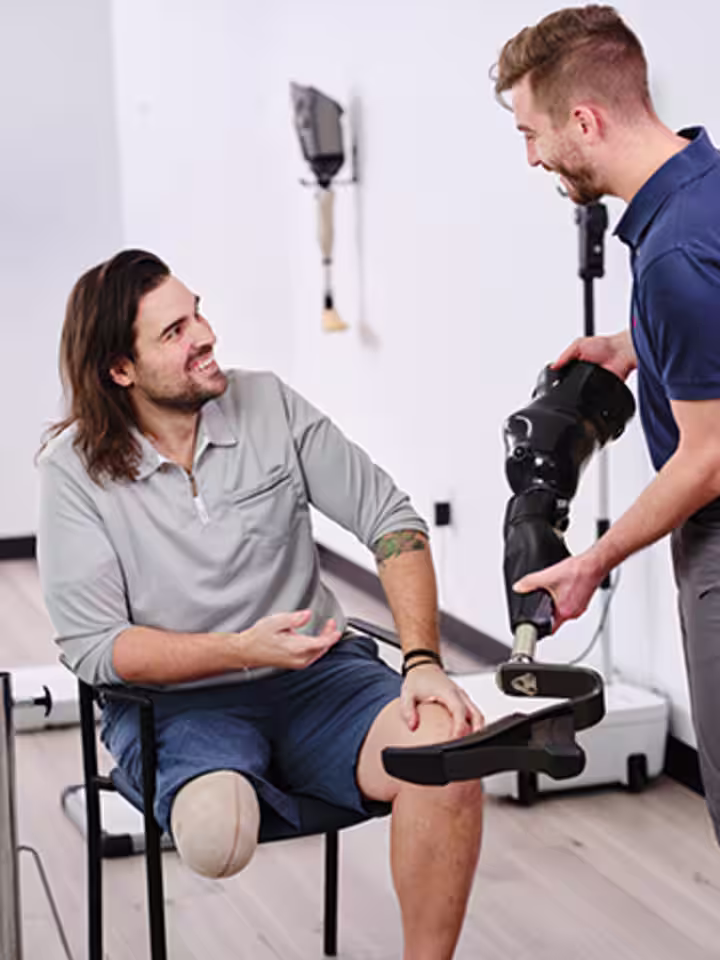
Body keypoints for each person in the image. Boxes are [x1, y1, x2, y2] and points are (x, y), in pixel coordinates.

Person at [37, 249, 484, 959]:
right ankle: (237, 778)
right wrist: (242, 650)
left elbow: (391, 519)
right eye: (174, 332)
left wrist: (424, 662)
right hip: (174, 705)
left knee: (446, 754)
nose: (205, 335)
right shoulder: (72, 474)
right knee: (216, 836)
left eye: (199, 313)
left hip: (319, 679)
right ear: (120, 370)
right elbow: (97, 649)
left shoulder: (267, 402)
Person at [493, 4, 720, 841]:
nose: (533, 157)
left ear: (584, 120)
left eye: (533, 133)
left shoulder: (672, 258)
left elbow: (707, 462)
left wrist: (592, 561)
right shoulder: (706, 187)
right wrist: (636, 346)